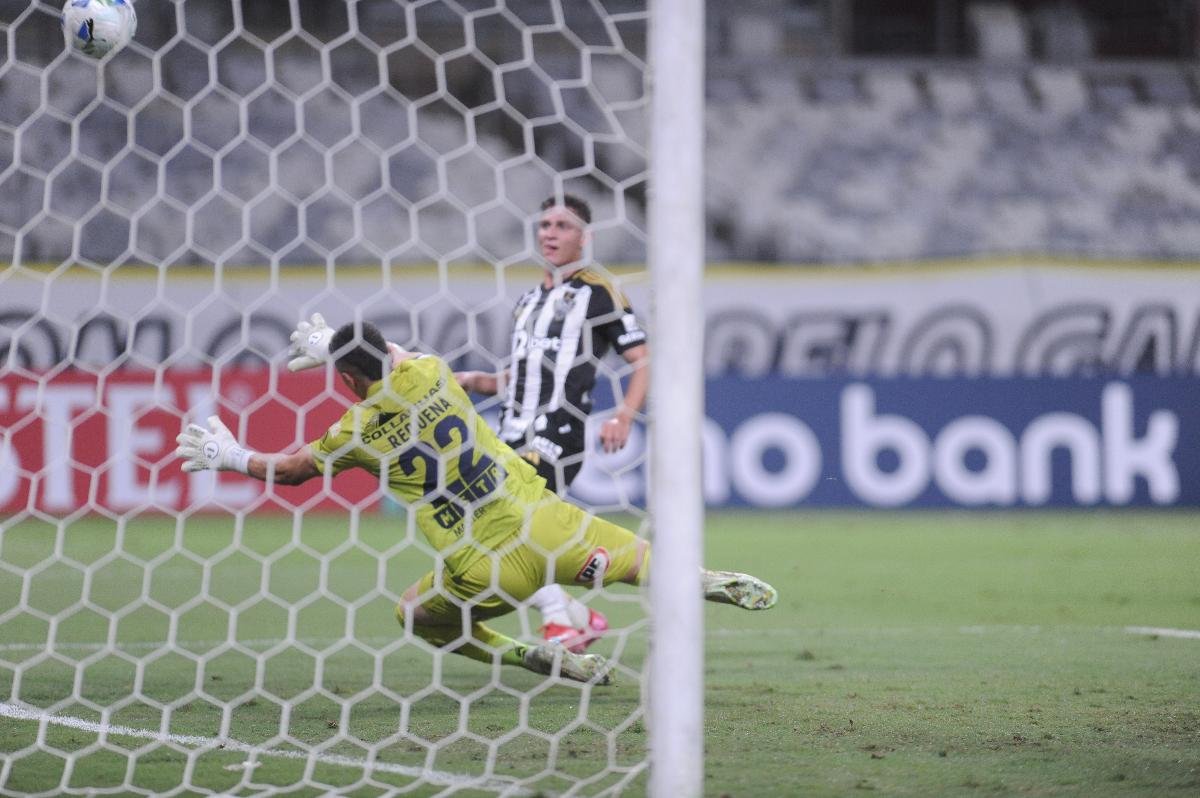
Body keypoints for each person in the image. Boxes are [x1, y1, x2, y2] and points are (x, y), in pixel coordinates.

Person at [177, 321, 776, 685]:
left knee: (414, 614)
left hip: (487, 569)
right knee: (642, 562)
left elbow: (292, 473)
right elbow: (398, 357)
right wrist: (336, 340)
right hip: (550, 524)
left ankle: (533, 656)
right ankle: (706, 579)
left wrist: (230, 455)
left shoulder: (353, 429)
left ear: (348, 381)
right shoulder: (434, 373)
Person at [454, 193, 649, 652]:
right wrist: (478, 380)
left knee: (505, 523)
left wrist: (624, 414)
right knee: (490, 526)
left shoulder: (598, 293)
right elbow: (522, 375)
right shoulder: (528, 301)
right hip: (511, 431)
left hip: (557, 431)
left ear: (586, 236)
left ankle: (559, 620)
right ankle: (579, 617)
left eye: (562, 226)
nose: (550, 233)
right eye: (545, 225)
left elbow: (642, 359)